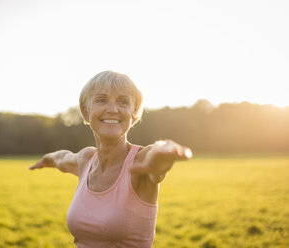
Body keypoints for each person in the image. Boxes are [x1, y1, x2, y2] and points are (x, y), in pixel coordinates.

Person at [29, 70, 192, 248]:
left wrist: (166, 151)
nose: (113, 109)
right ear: (85, 111)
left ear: (133, 112)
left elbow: (157, 155)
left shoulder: (140, 161)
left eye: (123, 101)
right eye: (101, 100)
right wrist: (44, 160)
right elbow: (61, 158)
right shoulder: (86, 159)